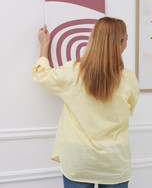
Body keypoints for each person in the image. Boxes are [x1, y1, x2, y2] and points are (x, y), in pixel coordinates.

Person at [33, 17, 140, 188]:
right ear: (119, 44)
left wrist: (44, 44)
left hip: (79, 159)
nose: (127, 42)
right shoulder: (129, 79)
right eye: (126, 38)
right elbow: (130, 109)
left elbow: (42, 75)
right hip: (114, 161)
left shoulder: (73, 72)